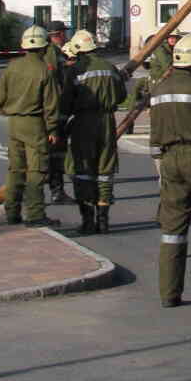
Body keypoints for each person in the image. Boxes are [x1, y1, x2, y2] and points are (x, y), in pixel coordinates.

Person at [151, 32, 191, 308]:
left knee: (172, 231)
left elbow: (155, 138)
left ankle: (169, 294)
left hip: (169, 162)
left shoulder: (158, 90)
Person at [0, 25, 63, 228]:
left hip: (14, 123)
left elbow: (0, 93)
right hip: (34, 124)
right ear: (44, 47)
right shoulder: (45, 70)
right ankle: (35, 214)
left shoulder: (13, 66)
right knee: (36, 170)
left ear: (24, 46)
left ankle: (12, 212)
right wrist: (53, 129)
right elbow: (51, 103)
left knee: (16, 169)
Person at [62, 29, 124, 235]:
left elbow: (66, 103)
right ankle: (104, 221)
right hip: (107, 121)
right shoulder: (110, 67)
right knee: (105, 170)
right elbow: (122, 96)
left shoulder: (76, 70)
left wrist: (59, 127)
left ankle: (88, 221)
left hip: (83, 122)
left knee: (82, 170)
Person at [42, 21, 71, 203]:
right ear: (59, 34)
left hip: (53, 109)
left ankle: (55, 188)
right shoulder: (52, 52)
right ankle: (56, 190)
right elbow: (53, 81)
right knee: (56, 152)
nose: (66, 36)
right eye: (64, 33)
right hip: (54, 110)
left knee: (55, 153)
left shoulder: (55, 52)